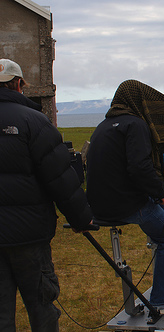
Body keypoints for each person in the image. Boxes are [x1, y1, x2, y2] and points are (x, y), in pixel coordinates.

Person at [0, 59, 93, 331]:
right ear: (19, 84)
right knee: (41, 305)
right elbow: (59, 178)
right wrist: (81, 218)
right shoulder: (33, 121)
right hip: (28, 234)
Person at [86, 80, 164, 315]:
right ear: (139, 100)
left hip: (99, 206)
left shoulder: (103, 126)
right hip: (125, 204)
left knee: (161, 222)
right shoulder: (135, 124)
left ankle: (162, 283)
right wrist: (162, 192)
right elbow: (139, 168)